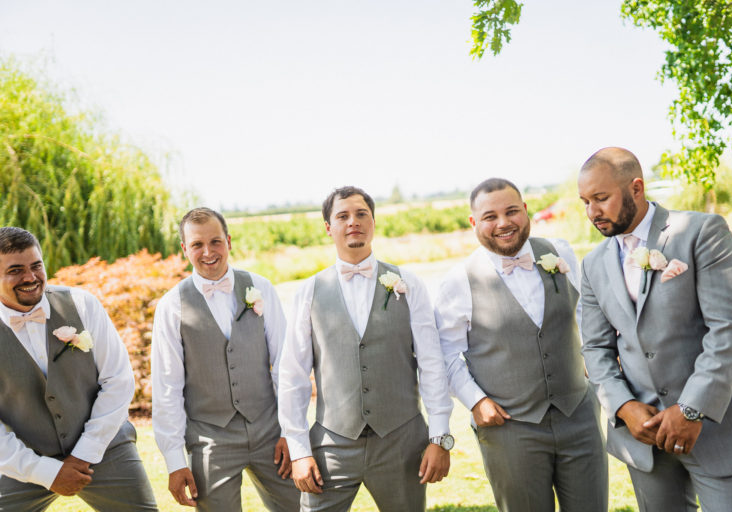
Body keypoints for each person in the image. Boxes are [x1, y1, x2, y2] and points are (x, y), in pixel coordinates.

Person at [578, 147, 732, 511]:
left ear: (636, 188)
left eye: (601, 198)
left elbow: (730, 329)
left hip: (721, 430)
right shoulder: (593, 265)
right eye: (585, 202)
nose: (592, 212)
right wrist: (624, 407)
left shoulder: (701, 232)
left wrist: (691, 409)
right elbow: (595, 349)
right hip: (645, 441)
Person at [434, 178, 608, 512]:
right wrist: (475, 400)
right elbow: (444, 354)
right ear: (474, 222)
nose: (503, 223)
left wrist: (592, 361)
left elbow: (585, 314)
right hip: (509, 427)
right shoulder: (459, 281)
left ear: (526, 211)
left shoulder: (560, 252)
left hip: (579, 415)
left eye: (512, 211)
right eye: (490, 216)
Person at [278, 186, 454, 512]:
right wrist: (300, 450)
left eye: (361, 214)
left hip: (402, 441)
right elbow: (293, 376)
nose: (353, 222)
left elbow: (432, 363)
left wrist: (439, 437)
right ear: (328, 227)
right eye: (342, 216)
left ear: (373, 221)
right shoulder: (309, 291)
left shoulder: (409, 284)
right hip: (332, 443)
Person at [151, 207, 299, 511]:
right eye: (197, 245)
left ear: (228, 241)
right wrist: (175, 461)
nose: (208, 252)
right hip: (210, 441)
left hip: (270, 431)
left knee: (300, 507)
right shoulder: (171, 306)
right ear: (184, 249)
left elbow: (286, 365)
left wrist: (290, 432)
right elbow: (167, 387)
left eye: (215, 241)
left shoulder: (260, 288)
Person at [0, 227, 157, 511]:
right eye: (15, 270)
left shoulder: (82, 304)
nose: (30, 277)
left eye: (36, 266)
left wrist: (84, 454)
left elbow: (118, 380)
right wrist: (46, 472)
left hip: (105, 448)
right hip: (24, 460)